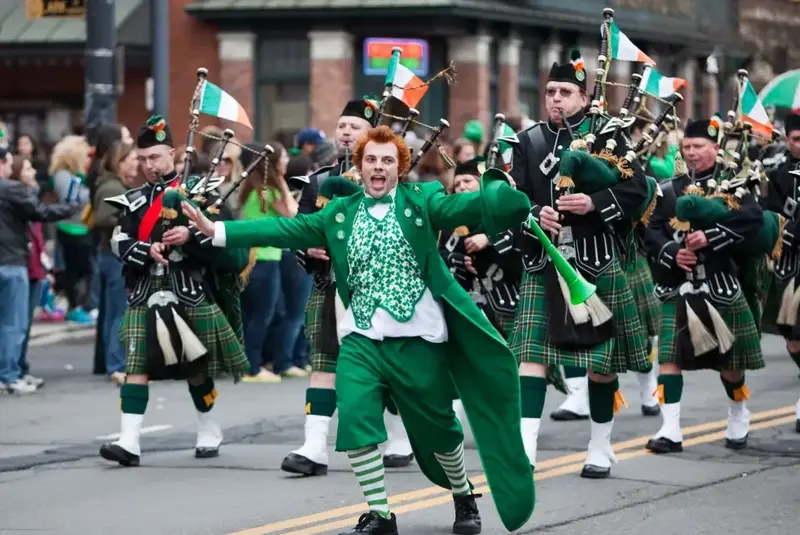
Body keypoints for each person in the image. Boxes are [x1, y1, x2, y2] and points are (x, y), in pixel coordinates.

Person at [184, 125, 536, 535]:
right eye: (372, 160)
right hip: (361, 337)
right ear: (360, 165)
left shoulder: (422, 201)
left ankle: (462, 493)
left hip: (417, 338)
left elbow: (462, 209)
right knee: (355, 417)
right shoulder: (339, 213)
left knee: (440, 429)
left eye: (388, 160)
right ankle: (381, 513)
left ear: (400, 167)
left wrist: (502, 196)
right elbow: (285, 231)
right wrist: (218, 231)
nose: (379, 167)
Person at [508, 48, 652, 477]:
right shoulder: (529, 141)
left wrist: (595, 201)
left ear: (584, 97)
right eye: (550, 91)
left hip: (596, 261)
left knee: (601, 364)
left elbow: (640, 190)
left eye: (565, 92)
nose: (555, 99)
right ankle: (525, 449)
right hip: (545, 262)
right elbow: (511, 199)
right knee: (530, 357)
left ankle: (599, 445)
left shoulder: (609, 137)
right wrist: (534, 214)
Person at [98, 115, 250, 467]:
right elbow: (118, 240)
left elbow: (230, 244)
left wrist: (191, 237)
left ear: (172, 153)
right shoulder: (132, 200)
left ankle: (209, 427)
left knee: (195, 368)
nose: (149, 165)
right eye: (143, 158)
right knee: (136, 365)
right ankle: (129, 441)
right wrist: (144, 250)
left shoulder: (203, 194)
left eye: (156, 157)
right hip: (145, 290)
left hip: (188, 290)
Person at [282, 99, 414, 476]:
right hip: (331, 285)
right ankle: (314, 446)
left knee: (387, 369)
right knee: (324, 364)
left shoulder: (393, 180)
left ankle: (400, 436)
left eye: (354, 126)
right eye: (341, 125)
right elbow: (299, 230)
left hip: (381, 288)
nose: (345, 132)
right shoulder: (319, 180)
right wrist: (308, 248)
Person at [643, 118, 765, 454]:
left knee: (730, 364)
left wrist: (709, 237)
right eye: (687, 147)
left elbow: (754, 219)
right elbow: (651, 231)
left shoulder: (733, 186)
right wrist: (673, 252)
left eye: (699, 147)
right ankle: (670, 428)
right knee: (668, 357)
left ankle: (739, 411)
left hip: (719, 283)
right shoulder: (668, 189)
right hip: (676, 286)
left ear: (715, 148)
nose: (692, 153)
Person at [0, 150, 79, 394]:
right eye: (9, 164)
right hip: (12, 260)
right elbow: (41, 212)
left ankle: (9, 373)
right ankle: (9, 376)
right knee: (14, 323)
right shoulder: (9, 189)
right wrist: (71, 207)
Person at [237, 142, 299, 382]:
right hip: (267, 258)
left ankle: (248, 363)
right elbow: (293, 213)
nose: (286, 162)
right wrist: (282, 183)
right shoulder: (270, 191)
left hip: (250, 258)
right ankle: (251, 367)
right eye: (283, 158)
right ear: (273, 163)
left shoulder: (251, 188)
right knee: (262, 316)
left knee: (251, 316)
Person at [91, 140, 140, 385]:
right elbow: (103, 217)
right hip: (115, 255)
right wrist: (130, 218)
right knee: (121, 311)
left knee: (114, 312)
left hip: (111, 255)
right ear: (120, 162)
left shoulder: (115, 185)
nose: (137, 164)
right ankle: (118, 365)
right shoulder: (112, 188)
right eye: (132, 159)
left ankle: (113, 364)